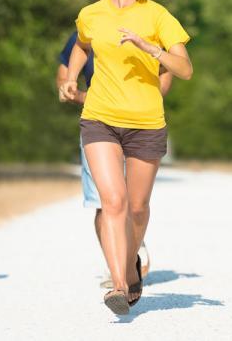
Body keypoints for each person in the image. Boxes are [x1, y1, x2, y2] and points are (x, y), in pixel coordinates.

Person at [59, 0, 192, 315]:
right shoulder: (91, 14)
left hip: (146, 124)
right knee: (112, 201)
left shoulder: (158, 16)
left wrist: (152, 49)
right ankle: (118, 284)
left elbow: (184, 69)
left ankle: (132, 262)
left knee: (137, 207)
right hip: (100, 118)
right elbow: (82, 45)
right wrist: (71, 77)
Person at [57, 27, 173, 287]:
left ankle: (132, 246)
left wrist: (143, 101)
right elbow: (64, 74)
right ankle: (117, 271)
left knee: (135, 204)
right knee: (104, 202)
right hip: (98, 122)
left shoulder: (146, 28)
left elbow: (165, 74)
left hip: (140, 122)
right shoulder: (88, 29)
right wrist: (74, 90)